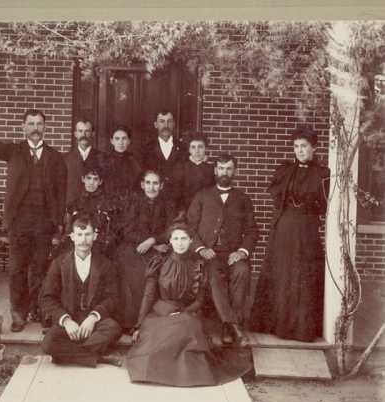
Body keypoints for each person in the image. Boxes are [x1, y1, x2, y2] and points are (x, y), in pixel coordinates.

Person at [126, 223, 252, 387]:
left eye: (184, 238)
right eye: (176, 238)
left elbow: (199, 300)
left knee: (187, 329)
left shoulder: (199, 265)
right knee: (158, 342)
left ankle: (182, 374)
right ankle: (160, 370)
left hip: (187, 314)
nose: (180, 243)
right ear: (170, 241)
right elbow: (149, 295)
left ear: (191, 240)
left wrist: (181, 312)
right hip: (161, 313)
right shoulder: (159, 262)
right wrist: (138, 325)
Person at [0, 99, 67, 332]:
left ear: (45, 127)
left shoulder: (55, 157)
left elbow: (61, 193)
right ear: (23, 127)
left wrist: (58, 223)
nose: (35, 127)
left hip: (44, 222)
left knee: (40, 268)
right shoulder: (13, 151)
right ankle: (19, 312)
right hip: (19, 221)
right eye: (31, 123)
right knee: (17, 269)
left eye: (39, 123)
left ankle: (40, 309)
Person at [250, 126, 330, 342]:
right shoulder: (285, 170)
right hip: (284, 227)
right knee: (282, 272)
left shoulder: (323, 174)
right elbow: (277, 198)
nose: (299, 150)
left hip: (306, 228)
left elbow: (323, 205)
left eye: (304, 146)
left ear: (314, 147)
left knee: (302, 274)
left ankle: (300, 329)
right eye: (296, 146)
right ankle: (276, 324)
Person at [187, 153, 258, 345]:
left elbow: (252, 231)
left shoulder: (243, 199)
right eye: (220, 168)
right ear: (215, 170)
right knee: (213, 274)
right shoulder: (202, 196)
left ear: (235, 171)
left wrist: (241, 252)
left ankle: (228, 325)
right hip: (209, 254)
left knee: (242, 271)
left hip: (233, 253)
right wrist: (201, 248)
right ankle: (233, 326)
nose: (224, 172)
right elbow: (189, 228)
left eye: (228, 168)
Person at [41, 214, 123, 367]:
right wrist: (66, 321)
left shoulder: (105, 264)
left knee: (113, 328)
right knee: (48, 343)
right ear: (72, 237)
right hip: (69, 321)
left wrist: (93, 317)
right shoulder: (59, 264)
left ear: (95, 236)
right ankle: (98, 358)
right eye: (79, 234)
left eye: (87, 235)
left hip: (94, 323)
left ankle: (66, 355)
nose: (83, 240)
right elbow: (47, 298)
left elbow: (113, 298)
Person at [115, 170, 176, 331]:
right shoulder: (134, 203)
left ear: (161, 186)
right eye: (148, 183)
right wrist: (149, 243)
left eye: (155, 183)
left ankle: (150, 321)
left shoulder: (168, 204)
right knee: (132, 273)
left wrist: (153, 241)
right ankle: (130, 322)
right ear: (142, 185)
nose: (151, 187)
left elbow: (171, 229)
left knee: (157, 271)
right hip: (134, 246)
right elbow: (128, 230)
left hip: (158, 246)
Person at [64, 166, 120, 257]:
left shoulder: (108, 203)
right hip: (77, 242)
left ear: (100, 182)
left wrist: (101, 238)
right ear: (83, 179)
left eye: (95, 179)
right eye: (88, 178)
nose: (91, 182)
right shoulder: (74, 203)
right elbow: (68, 228)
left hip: (99, 243)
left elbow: (112, 230)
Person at [141, 110, 185, 204]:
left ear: (173, 124)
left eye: (169, 121)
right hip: (153, 203)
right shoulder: (146, 149)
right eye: (162, 121)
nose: (166, 125)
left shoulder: (183, 148)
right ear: (156, 124)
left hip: (177, 202)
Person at [64, 118, 105, 206]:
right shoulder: (65, 159)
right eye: (80, 131)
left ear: (93, 134)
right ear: (75, 134)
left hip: (95, 208)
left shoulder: (102, 157)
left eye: (87, 131)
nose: (83, 134)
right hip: (71, 209)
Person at [101, 125, 142, 207]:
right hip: (109, 204)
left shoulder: (135, 161)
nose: (120, 142)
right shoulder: (103, 161)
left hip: (130, 205)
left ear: (129, 141)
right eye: (117, 139)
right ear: (112, 141)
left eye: (124, 138)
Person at [174, 132, 215, 212]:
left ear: (206, 148)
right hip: (186, 209)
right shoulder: (182, 167)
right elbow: (177, 193)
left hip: (206, 209)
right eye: (193, 147)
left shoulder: (212, 168)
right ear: (189, 149)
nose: (197, 151)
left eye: (200, 147)